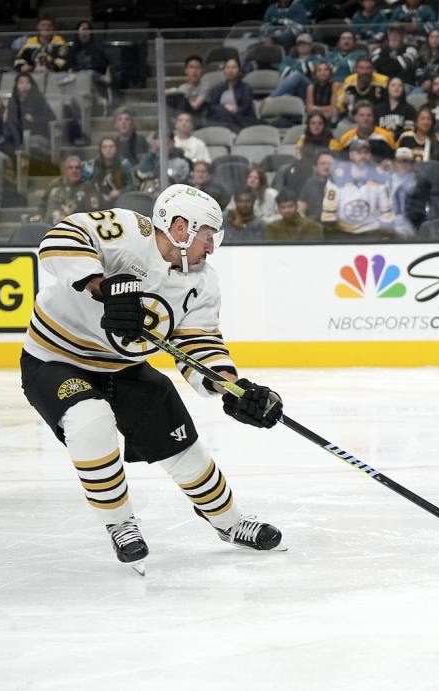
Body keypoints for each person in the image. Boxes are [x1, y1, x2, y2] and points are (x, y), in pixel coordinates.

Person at [20, 184, 286, 574]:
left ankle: (229, 523)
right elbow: (59, 239)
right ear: (181, 227)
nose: (211, 248)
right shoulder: (128, 232)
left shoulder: (203, 281)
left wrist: (230, 385)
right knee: (89, 420)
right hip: (56, 359)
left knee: (183, 446)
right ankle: (120, 523)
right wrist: (101, 286)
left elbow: (199, 340)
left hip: (124, 369)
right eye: (207, 237)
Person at [321, 139, 398, 239]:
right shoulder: (337, 176)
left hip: (371, 232)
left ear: (370, 155)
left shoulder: (380, 177)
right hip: (343, 232)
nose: (363, 156)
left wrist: (386, 236)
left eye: (366, 152)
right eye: (359, 153)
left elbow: (386, 213)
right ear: (351, 155)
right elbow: (328, 213)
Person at [330, 100, 397, 162]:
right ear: (355, 118)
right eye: (361, 115)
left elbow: (394, 160)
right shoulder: (346, 138)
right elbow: (340, 160)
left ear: (373, 117)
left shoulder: (385, 136)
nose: (365, 118)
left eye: (369, 115)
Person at [8, 72, 57, 157]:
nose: (24, 85)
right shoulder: (12, 102)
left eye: (27, 82)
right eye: (21, 83)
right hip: (18, 137)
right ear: (16, 85)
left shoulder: (39, 99)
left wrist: (34, 119)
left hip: (38, 135)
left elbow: (51, 117)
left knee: (31, 143)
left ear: (32, 84)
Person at [39, 156, 99, 225]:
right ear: (65, 171)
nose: (74, 170)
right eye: (70, 168)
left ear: (81, 170)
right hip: (48, 229)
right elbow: (43, 203)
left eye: (77, 168)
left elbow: (93, 212)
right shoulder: (55, 184)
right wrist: (39, 214)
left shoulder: (88, 187)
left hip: (73, 230)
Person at [206, 58, 257, 132]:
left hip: (241, 120)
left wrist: (233, 111)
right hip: (222, 119)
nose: (230, 70)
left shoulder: (246, 88)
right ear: (224, 70)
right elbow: (212, 106)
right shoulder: (218, 87)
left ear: (239, 70)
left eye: (234, 67)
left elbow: (245, 108)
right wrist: (225, 107)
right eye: (228, 67)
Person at [83, 137, 135, 206]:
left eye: (111, 147)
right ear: (100, 150)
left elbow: (133, 185)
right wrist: (99, 195)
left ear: (116, 148)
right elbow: (84, 185)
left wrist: (119, 192)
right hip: (96, 203)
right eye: (104, 147)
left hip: (120, 202)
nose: (108, 149)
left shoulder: (124, 164)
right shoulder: (91, 165)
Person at [271, 33, 322, 100]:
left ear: (310, 46)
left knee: (296, 75)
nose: (302, 46)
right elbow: (284, 74)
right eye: (299, 44)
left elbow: (311, 69)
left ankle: (271, 98)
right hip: (292, 90)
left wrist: (293, 69)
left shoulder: (317, 58)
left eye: (305, 43)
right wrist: (303, 67)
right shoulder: (288, 60)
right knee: (286, 95)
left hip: (310, 90)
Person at [169, 56, 209, 121]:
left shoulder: (206, 86)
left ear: (202, 71)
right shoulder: (181, 88)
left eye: (197, 68)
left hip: (199, 116)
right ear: (186, 71)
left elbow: (195, 106)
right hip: (182, 117)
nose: (194, 71)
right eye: (191, 67)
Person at [297, 150, 334, 220]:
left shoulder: (341, 185)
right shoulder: (310, 183)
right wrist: (307, 224)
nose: (326, 166)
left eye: (330, 164)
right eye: (322, 163)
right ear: (316, 167)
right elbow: (300, 210)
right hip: (314, 225)